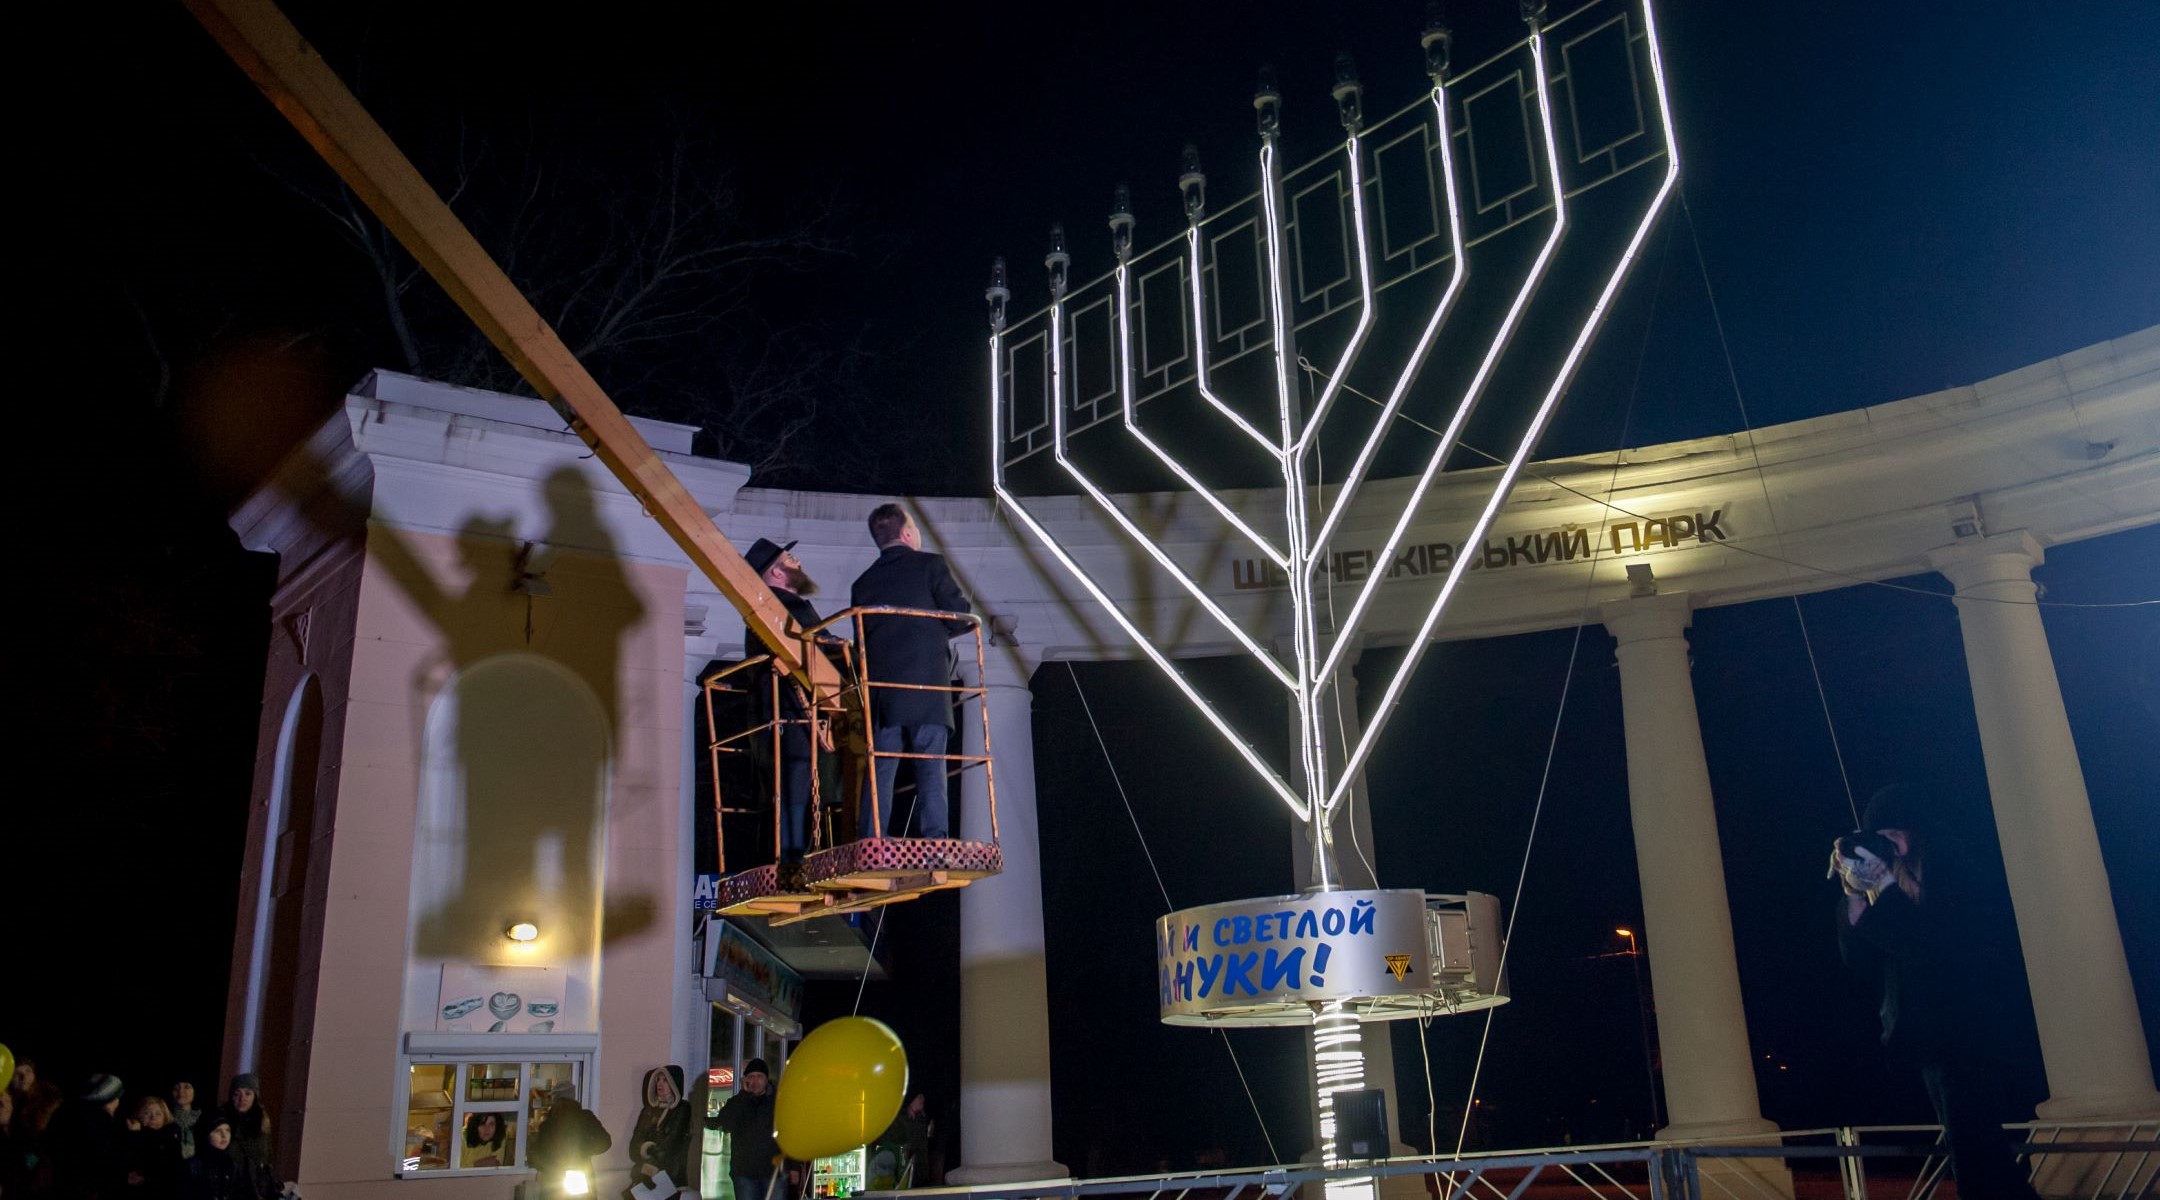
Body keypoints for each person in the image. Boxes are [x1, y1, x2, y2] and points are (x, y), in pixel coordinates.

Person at [1830, 783, 2042, 1200]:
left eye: (1894, 836)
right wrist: (1854, 893)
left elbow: (1929, 945)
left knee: (1976, 1151)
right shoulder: (1902, 883)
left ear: (1916, 831)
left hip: (1968, 1033)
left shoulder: (1954, 871)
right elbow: (1862, 960)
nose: (1888, 846)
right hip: (1932, 1039)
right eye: (1881, 839)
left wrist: (1887, 889)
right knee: (1976, 1151)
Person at [850, 504, 975, 841]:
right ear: (907, 533)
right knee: (931, 767)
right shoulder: (930, 564)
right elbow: (960, 616)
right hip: (927, 686)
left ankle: (871, 838)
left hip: (883, 692)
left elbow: (859, 644)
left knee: (882, 768)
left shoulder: (862, 584)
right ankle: (935, 840)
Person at [741, 537, 843, 888]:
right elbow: (826, 646)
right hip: (791, 714)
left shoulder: (768, 611)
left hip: (779, 716)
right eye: (791, 558)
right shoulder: (786, 609)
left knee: (790, 787)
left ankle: (794, 858)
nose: (798, 561)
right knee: (796, 784)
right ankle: (795, 862)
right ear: (776, 570)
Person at [46, 1073, 129, 1199]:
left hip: (58, 1185)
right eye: (117, 1097)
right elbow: (107, 1161)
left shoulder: (63, 1112)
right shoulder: (100, 1122)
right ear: (110, 1100)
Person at [706, 1059, 779, 1200]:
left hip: (772, 1172)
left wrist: (792, 1167)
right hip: (745, 1172)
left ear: (766, 1080)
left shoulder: (777, 1102)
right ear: (745, 1080)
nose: (755, 1081)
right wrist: (743, 1095)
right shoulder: (738, 1102)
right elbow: (725, 1123)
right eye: (751, 1077)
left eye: (759, 1076)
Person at [527, 1085, 611, 1191]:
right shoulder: (585, 1117)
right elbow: (605, 1142)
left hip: (553, 1180)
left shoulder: (548, 1123)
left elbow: (536, 1154)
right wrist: (584, 1151)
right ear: (573, 1098)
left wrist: (548, 1166)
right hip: (580, 1176)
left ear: (555, 1101)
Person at [627, 1066, 690, 1195]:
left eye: (665, 1080)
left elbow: (671, 1144)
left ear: (674, 1083)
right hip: (644, 1175)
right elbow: (634, 1146)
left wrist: (649, 1165)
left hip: (670, 1177)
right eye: (658, 1080)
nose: (660, 1084)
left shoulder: (682, 1108)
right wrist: (648, 1148)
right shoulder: (648, 1110)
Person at [180, 1117, 275, 1200]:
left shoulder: (232, 1164)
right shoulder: (193, 1166)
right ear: (206, 1135)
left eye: (227, 1130)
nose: (224, 1136)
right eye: (218, 1131)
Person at [123, 1096, 184, 1198]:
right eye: (147, 1113)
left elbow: (170, 1169)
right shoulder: (131, 1134)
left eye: (158, 1114)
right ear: (138, 1115)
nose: (153, 1117)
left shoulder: (171, 1136)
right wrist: (134, 1135)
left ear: (165, 1116)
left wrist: (147, 1178)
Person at [214, 1077, 271, 1174]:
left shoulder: (262, 1123)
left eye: (248, 1093)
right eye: (237, 1094)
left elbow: (266, 1157)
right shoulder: (220, 1121)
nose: (242, 1099)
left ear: (255, 1096)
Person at [7, 1057, 63, 1142]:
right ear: (10, 1082)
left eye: (28, 1071)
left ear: (34, 1074)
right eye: (17, 1074)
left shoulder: (50, 1096)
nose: (24, 1077)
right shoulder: (8, 1108)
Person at [169, 1083, 200, 1161]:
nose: (181, 1091)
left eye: (187, 1087)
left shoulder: (202, 1117)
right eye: (176, 1088)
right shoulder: (165, 1117)